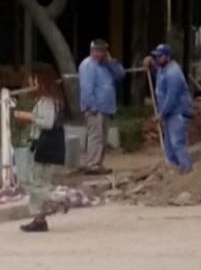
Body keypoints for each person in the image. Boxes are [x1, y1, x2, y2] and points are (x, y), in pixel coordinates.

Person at [14, 74, 69, 233]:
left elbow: (47, 123)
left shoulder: (47, 101)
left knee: (31, 182)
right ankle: (39, 219)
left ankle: (59, 198)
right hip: (50, 145)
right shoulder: (52, 100)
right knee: (40, 182)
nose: (31, 83)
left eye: (34, 79)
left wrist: (28, 116)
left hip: (44, 145)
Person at [145, 44, 194, 174]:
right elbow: (158, 72)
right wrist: (150, 63)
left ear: (167, 57)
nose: (156, 59)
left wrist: (161, 114)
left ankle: (186, 169)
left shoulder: (173, 74)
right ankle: (174, 171)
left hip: (177, 112)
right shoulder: (163, 68)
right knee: (169, 145)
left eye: (158, 57)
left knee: (177, 142)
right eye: (155, 56)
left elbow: (171, 98)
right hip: (169, 114)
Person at [78, 39, 125, 175]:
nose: (100, 53)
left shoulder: (106, 65)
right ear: (92, 51)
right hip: (94, 108)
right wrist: (91, 105)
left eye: (103, 51)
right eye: (97, 51)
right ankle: (92, 164)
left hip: (106, 107)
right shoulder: (87, 65)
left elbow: (121, 75)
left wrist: (111, 62)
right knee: (96, 136)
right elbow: (86, 88)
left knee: (103, 138)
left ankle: (98, 163)